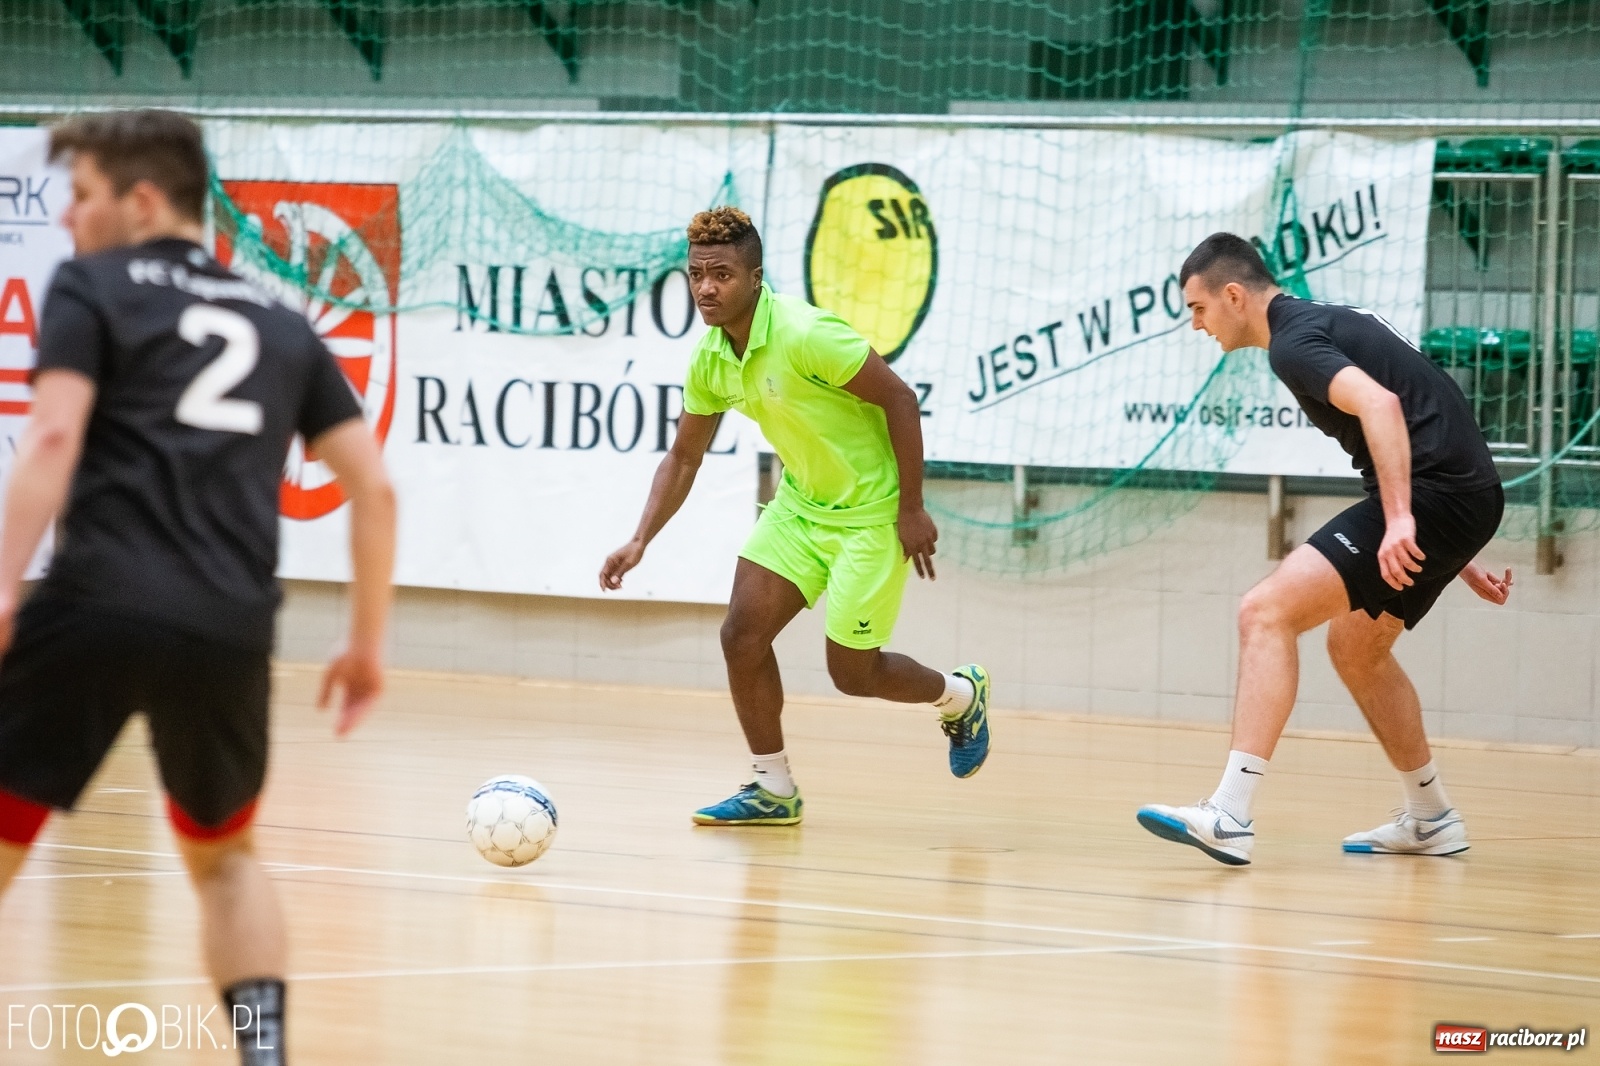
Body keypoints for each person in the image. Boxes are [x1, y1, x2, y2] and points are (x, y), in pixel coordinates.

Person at [0, 110, 396, 1065]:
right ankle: (263, 1053)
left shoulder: (93, 288)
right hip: (226, 623)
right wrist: (364, 645)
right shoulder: (283, 323)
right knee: (224, 861)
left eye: (83, 197)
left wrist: (5, 590)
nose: (68, 222)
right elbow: (373, 487)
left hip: (93, 601)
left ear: (141, 201)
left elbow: (51, 439)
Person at [600, 207, 988, 825]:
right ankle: (772, 787)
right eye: (697, 274)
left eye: (721, 274)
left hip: (872, 514)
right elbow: (683, 456)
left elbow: (899, 398)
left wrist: (911, 507)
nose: (706, 287)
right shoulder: (711, 358)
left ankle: (960, 696)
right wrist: (639, 538)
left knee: (853, 673)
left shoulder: (806, 334)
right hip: (802, 508)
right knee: (741, 635)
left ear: (755, 277)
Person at [1137, 232, 1511, 866]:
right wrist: (1457, 543)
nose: (1197, 326)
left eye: (1199, 309)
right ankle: (1430, 817)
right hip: (1461, 496)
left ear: (1234, 295)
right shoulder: (1325, 322)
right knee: (1356, 647)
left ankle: (1229, 813)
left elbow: (1384, 405)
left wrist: (1402, 520)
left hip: (1439, 498)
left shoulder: (1295, 344)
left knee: (1265, 612)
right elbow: (1431, 404)